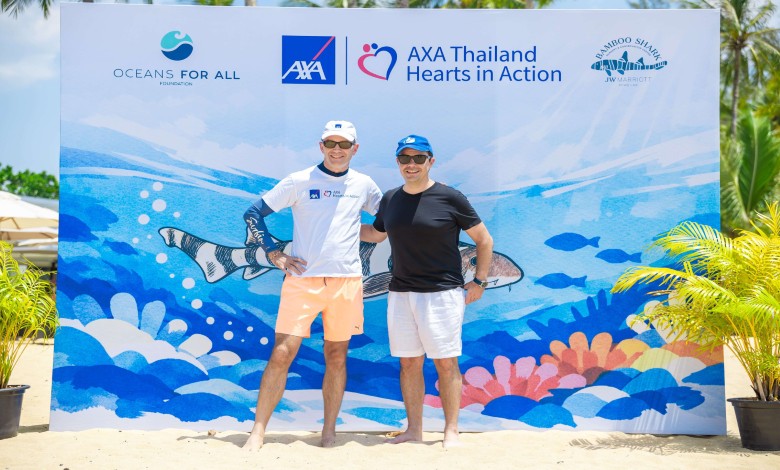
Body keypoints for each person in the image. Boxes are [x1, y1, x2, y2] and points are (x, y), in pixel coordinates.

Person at [242, 120, 382, 450]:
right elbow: (253, 214)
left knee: (337, 356)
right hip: (303, 281)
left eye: (344, 144)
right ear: (321, 146)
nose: (337, 150)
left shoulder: (364, 184)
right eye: (330, 143)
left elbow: (387, 221)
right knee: (282, 353)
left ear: (355, 149)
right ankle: (257, 432)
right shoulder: (300, 180)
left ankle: (329, 432)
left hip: (346, 282)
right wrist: (274, 253)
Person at [360, 134, 493, 448]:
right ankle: (414, 430)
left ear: (430, 161)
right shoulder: (391, 199)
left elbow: (484, 240)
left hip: (442, 295)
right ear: (397, 162)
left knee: (446, 363)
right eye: (405, 158)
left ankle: (451, 430)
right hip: (400, 294)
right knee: (409, 363)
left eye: (418, 158)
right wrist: (337, 225)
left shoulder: (450, 197)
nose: (411, 164)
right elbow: (376, 234)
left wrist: (480, 281)